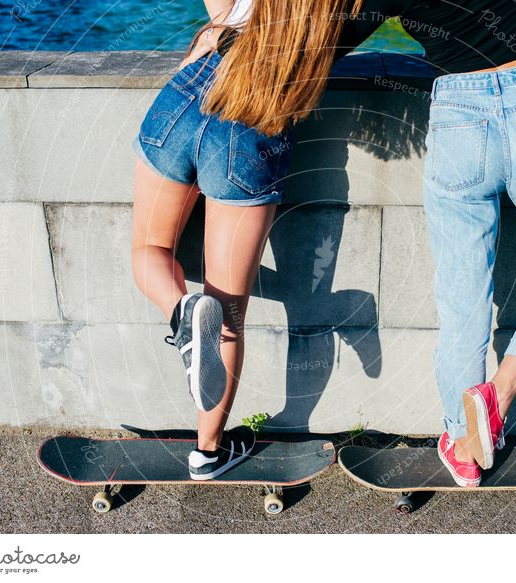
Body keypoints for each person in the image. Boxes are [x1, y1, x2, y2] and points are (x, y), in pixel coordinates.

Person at [341, 0, 516, 486]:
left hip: (458, 109)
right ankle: (499, 395)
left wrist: (229, 45)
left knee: (462, 298)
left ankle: (463, 442)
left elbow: (335, 39)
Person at [131, 0, 363, 480]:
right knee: (228, 308)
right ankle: (208, 452)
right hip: (257, 115)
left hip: (184, 97)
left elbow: (217, 17)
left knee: (149, 249)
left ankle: (181, 311)